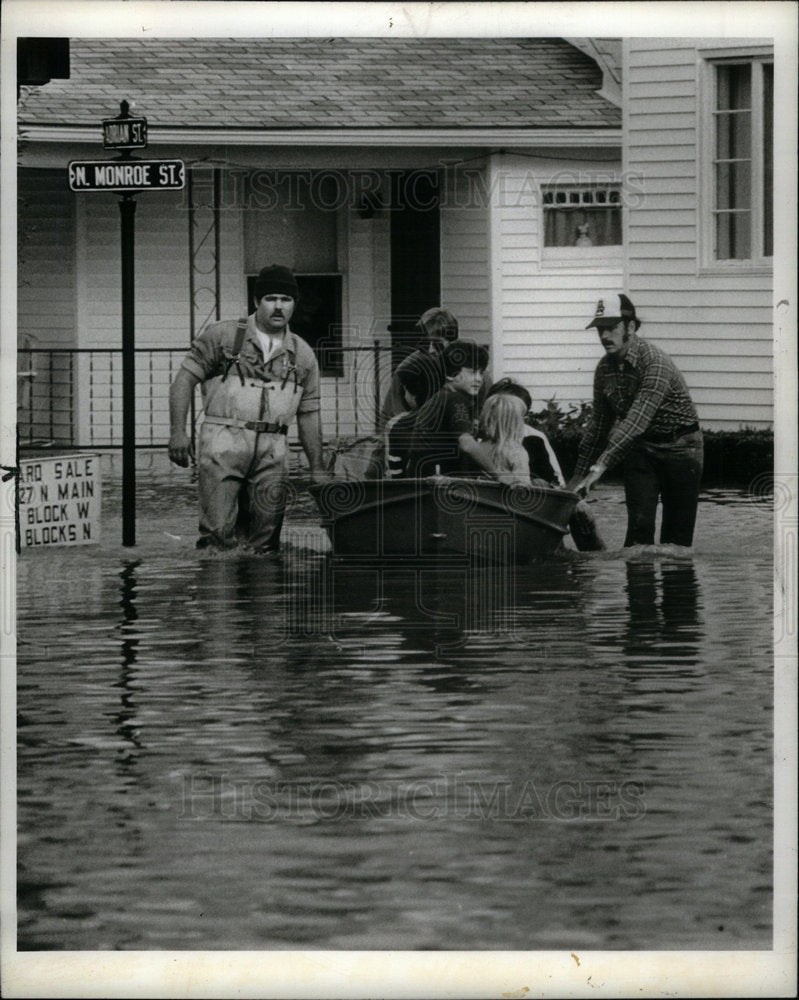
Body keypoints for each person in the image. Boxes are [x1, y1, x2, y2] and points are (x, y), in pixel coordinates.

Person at [168, 264, 329, 553]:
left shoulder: (302, 354)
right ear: (256, 302)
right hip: (222, 446)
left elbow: (309, 412)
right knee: (217, 536)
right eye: (270, 298)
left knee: (266, 540)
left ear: (294, 304)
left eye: (286, 299)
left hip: (272, 452)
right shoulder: (224, 337)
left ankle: (262, 593)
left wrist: (316, 466)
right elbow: (183, 380)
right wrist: (177, 432)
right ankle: (218, 590)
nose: (278, 307)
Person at [569, 292, 703, 547]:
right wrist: (577, 478)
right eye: (599, 330)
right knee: (638, 533)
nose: (604, 336)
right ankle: (639, 585)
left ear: (630, 326)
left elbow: (635, 421)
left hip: (682, 447)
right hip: (641, 449)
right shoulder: (604, 369)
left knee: (676, 540)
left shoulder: (655, 361)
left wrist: (599, 468)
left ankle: (678, 585)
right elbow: (598, 427)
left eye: (611, 328)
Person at [483, 378, 605, 551]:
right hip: (498, 502)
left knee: (579, 510)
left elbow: (554, 481)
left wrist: (541, 483)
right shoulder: (476, 442)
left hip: (535, 499)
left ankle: (592, 557)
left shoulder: (533, 439)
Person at [404, 339, 491, 478]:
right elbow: (467, 444)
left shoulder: (441, 398)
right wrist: (500, 474)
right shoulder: (455, 400)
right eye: (472, 372)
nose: (479, 379)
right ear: (451, 373)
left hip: (423, 477)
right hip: (439, 479)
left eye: (481, 373)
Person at [379, 307, 459, 428]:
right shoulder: (408, 368)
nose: (430, 349)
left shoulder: (468, 365)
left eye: (437, 344)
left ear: (452, 341)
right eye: (426, 343)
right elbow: (393, 415)